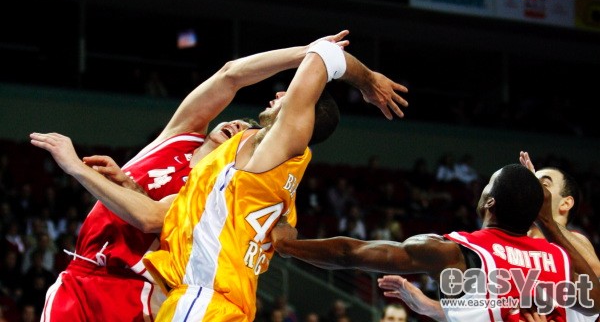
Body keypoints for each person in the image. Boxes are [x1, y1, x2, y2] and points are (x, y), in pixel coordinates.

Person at [31, 30, 407, 322]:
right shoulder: (182, 140)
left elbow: (150, 217)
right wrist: (305, 51)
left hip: (145, 289)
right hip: (91, 273)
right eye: (236, 122)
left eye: (246, 131)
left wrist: (76, 167)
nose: (238, 127)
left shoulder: (222, 179)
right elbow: (230, 75)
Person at [272, 163, 600, 322]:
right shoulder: (559, 259)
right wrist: (548, 223)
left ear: (490, 202)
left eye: (488, 184)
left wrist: (288, 246)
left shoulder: (456, 253)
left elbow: (351, 253)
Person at [379, 150, 600, 322]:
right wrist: (430, 307)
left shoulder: (573, 244)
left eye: (541, 185)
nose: (533, 190)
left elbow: (594, 277)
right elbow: (482, 312)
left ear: (566, 203)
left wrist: (547, 221)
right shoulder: (507, 252)